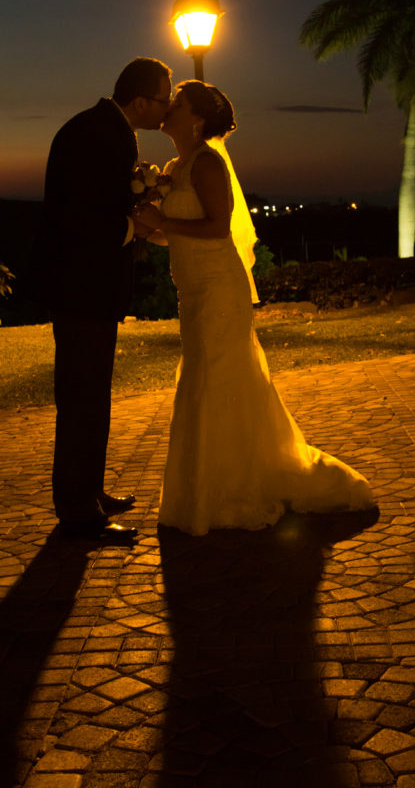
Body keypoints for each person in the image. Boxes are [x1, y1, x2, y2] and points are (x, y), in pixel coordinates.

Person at [136, 80, 377, 536]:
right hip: (191, 288)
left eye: (178, 103)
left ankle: (228, 492)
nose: (169, 108)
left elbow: (216, 229)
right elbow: (180, 231)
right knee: (204, 376)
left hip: (219, 286)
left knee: (217, 377)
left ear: (198, 119)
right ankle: (208, 487)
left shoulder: (207, 163)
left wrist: (164, 220)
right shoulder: (174, 165)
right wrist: (151, 229)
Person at [32, 57, 172, 539]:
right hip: (80, 288)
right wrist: (135, 226)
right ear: (139, 101)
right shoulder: (97, 135)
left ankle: (89, 490)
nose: (167, 107)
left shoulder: (105, 128)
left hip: (91, 288)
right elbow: (78, 218)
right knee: (82, 398)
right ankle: (76, 510)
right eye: (163, 98)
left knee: (93, 396)